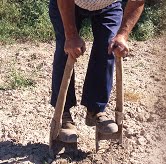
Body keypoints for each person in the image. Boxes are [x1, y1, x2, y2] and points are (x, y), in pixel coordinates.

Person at [49, 0, 144, 142]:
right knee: (66, 49)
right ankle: (64, 114)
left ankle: (96, 110)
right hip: (68, 3)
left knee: (109, 46)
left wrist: (123, 35)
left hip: (108, 5)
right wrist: (71, 36)